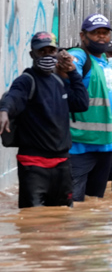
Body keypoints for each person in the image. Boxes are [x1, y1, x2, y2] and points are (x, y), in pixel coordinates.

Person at [0, 33, 89, 208]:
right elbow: (13, 97)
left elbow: (81, 103)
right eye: (42, 52)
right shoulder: (27, 81)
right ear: (33, 54)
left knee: (61, 219)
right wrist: (4, 111)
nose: (47, 56)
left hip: (62, 165)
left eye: (51, 51)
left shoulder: (58, 81)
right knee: (33, 221)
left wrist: (72, 72)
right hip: (33, 166)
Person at [67, 14, 112, 203]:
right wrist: (68, 67)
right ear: (83, 36)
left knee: (94, 205)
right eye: (95, 33)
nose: (101, 37)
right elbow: (70, 66)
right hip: (80, 147)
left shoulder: (103, 60)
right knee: (73, 205)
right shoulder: (80, 56)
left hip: (105, 145)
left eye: (105, 33)